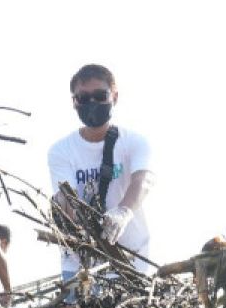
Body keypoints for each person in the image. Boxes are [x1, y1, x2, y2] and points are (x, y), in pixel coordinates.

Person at [48, 64, 155, 281]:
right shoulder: (61, 151)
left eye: (100, 95)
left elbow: (143, 180)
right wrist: (64, 213)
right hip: (80, 264)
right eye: (83, 98)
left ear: (114, 97)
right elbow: (66, 197)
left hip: (130, 260)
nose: (92, 103)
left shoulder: (134, 142)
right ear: (74, 102)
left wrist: (123, 212)